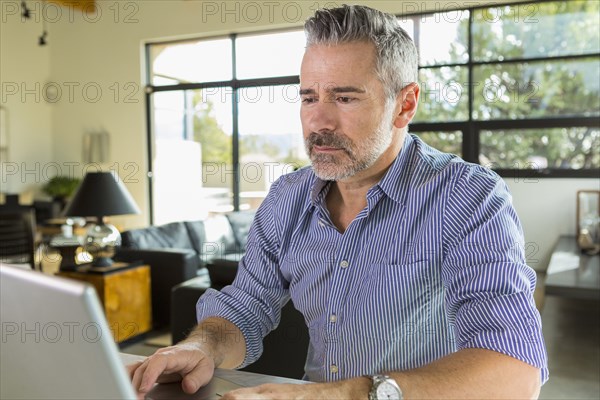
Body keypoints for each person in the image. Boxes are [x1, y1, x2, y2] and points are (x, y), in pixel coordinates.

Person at [130, 5, 548, 399]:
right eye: (309, 97)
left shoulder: (467, 197)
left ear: (404, 104)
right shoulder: (287, 198)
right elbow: (244, 307)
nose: (319, 122)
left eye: (344, 98)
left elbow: (515, 370)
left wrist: (347, 393)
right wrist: (202, 347)